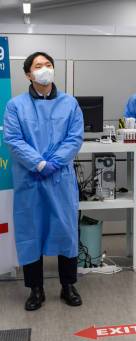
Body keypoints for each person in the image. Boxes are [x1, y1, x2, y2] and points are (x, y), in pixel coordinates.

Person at [3, 52, 84, 311]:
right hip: (31, 179)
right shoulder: (16, 105)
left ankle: (67, 285)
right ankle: (35, 289)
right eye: (38, 66)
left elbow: (74, 138)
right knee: (31, 232)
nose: (44, 69)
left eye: (48, 65)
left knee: (66, 231)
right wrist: (38, 163)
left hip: (60, 179)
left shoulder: (70, 103)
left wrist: (53, 163)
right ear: (28, 74)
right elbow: (14, 139)